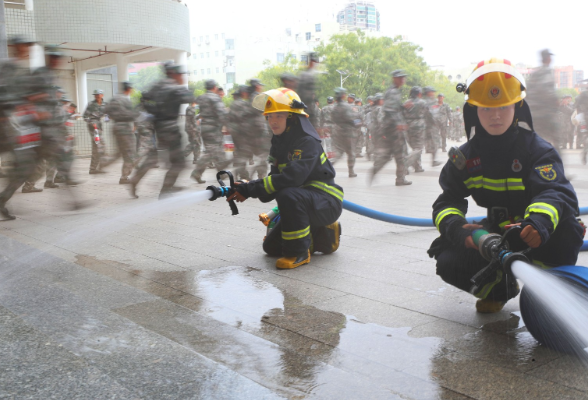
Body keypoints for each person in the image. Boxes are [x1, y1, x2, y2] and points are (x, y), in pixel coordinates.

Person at [428, 58, 584, 313]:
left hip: (537, 231)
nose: (496, 115)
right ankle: (499, 289)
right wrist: (458, 230)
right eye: (486, 109)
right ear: (473, 110)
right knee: (447, 258)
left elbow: (555, 192)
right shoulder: (465, 159)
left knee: (567, 231)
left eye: (502, 106)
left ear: (517, 106)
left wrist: (539, 223)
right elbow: (447, 202)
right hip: (497, 234)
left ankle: (550, 290)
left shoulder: (538, 151)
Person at [227, 88, 343, 270]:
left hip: (325, 202)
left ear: (292, 117)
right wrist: (246, 187)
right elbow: (274, 180)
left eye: (279, 116)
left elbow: (291, 178)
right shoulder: (279, 143)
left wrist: (250, 189)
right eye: (269, 116)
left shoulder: (307, 142)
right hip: (304, 201)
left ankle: (299, 253)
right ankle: (320, 234)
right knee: (271, 248)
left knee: (288, 194)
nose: (272, 121)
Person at [131, 63, 195, 199]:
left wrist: (152, 112)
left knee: (155, 158)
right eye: (180, 74)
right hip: (171, 128)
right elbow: (189, 97)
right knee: (179, 163)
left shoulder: (157, 85)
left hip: (158, 126)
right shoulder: (174, 87)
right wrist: (182, 84)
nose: (182, 77)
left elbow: (144, 98)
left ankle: (135, 180)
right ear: (174, 74)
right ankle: (166, 189)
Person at [370, 70, 412, 186]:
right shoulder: (393, 92)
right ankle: (400, 179)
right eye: (400, 78)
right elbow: (389, 110)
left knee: (388, 154)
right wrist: (399, 123)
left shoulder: (393, 91)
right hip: (394, 129)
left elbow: (394, 108)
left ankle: (376, 169)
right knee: (401, 154)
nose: (402, 80)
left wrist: (403, 107)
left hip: (389, 128)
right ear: (394, 78)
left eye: (403, 77)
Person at [191, 79, 229, 184]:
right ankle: (197, 172)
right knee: (211, 151)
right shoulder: (215, 97)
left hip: (205, 127)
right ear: (214, 87)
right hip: (214, 128)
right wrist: (228, 125)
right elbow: (221, 113)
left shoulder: (201, 97)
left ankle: (222, 174)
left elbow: (200, 111)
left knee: (219, 149)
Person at [103, 81, 140, 184]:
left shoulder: (114, 98)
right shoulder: (126, 100)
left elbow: (105, 111)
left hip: (115, 127)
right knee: (130, 154)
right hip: (125, 128)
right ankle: (124, 177)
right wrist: (135, 122)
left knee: (119, 153)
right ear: (128, 89)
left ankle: (103, 163)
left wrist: (111, 118)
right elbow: (132, 114)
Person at [526, 49, 559, 145]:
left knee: (536, 138)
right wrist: (555, 101)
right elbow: (547, 90)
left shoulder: (535, 73)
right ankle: (556, 158)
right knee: (556, 138)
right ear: (548, 58)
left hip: (533, 113)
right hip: (545, 113)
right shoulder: (547, 72)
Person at [331, 88, 360, 177]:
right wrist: (357, 122)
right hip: (348, 132)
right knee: (351, 152)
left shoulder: (334, 107)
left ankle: (329, 164)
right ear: (343, 95)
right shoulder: (346, 106)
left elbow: (333, 118)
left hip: (337, 131)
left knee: (338, 151)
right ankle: (351, 171)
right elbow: (350, 119)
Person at [402, 86, 427, 172]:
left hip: (408, 127)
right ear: (419, 94)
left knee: (414, 148)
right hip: (419, 127)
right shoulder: (422, 102)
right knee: (419, 148)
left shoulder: (406, 102)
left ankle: (417, 166)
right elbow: (428, 114)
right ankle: (406, 163)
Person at [83, 89, 107, 174]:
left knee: (97, 147)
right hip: (93, 127)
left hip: (99, 126)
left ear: (102, 95)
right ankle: (98, 167)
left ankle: (93, 169)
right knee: (100, 145)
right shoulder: (91, 104)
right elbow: (85, 116)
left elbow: (107, 115)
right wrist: (91, 122)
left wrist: (108, 118)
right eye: (95, 95)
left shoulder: (105, 105)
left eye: (98, 94)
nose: (97, 96)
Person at [297, 52, 320, 128]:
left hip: (306, 107)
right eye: (315, 62)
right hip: (306, 108)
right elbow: (302, 93)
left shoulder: (306, 74)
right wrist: (311, 97)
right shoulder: (306, 75)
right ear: (311, 62)